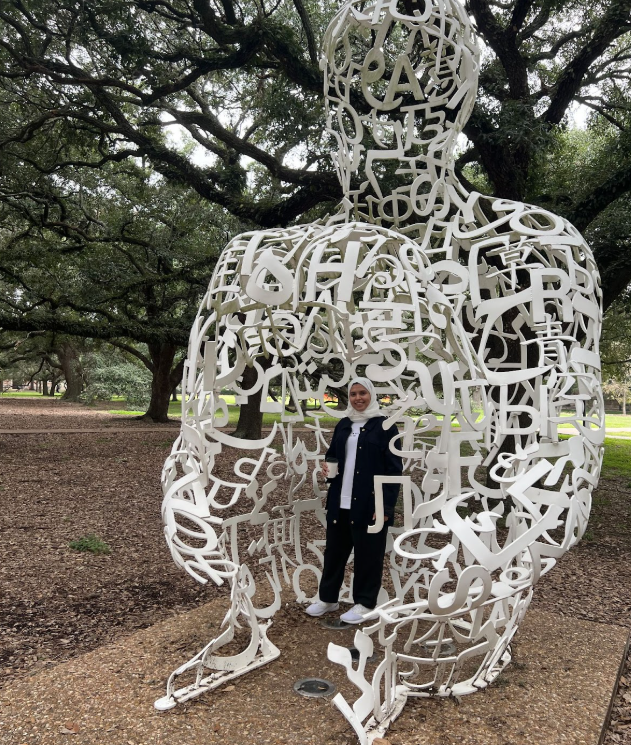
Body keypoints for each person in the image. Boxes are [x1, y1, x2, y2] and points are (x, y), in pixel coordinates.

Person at [306, 378, 403, 624]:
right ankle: (328, 598)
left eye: (363, 393)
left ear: (372, 395)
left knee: (368, 554)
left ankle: (364, 603)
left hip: (369, 503)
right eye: (353, 394)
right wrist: (328, 471)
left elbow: (394, 470)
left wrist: (385, 506)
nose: (358, 398)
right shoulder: (344, 424)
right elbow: (334, 455)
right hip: (341, 500)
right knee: (335, 552)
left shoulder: (385, 427)